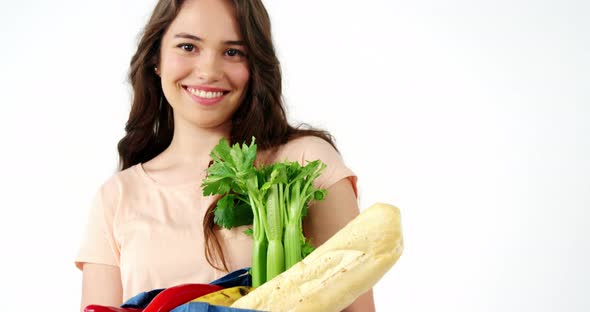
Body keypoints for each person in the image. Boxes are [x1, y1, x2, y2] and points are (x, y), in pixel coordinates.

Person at [75, 0, 375, 311]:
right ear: (156, 59)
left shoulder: (305, 165)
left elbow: (355, 305)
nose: (208, 72)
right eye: (188, 46)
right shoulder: (116, 197)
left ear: (255, 64)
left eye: (233, 52)